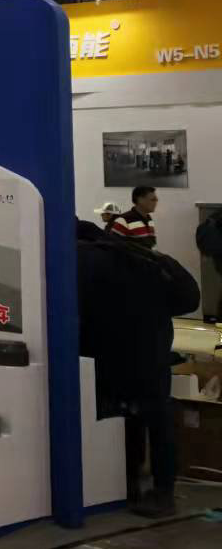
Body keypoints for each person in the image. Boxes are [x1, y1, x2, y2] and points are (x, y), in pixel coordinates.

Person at [77, 218, 198, 517]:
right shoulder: (147, 259)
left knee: (124, 417)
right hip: (152, 350)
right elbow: (187, 300)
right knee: (155, 417)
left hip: (111, 352)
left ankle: (129, 484)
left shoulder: (83, 258)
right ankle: (162, 490)